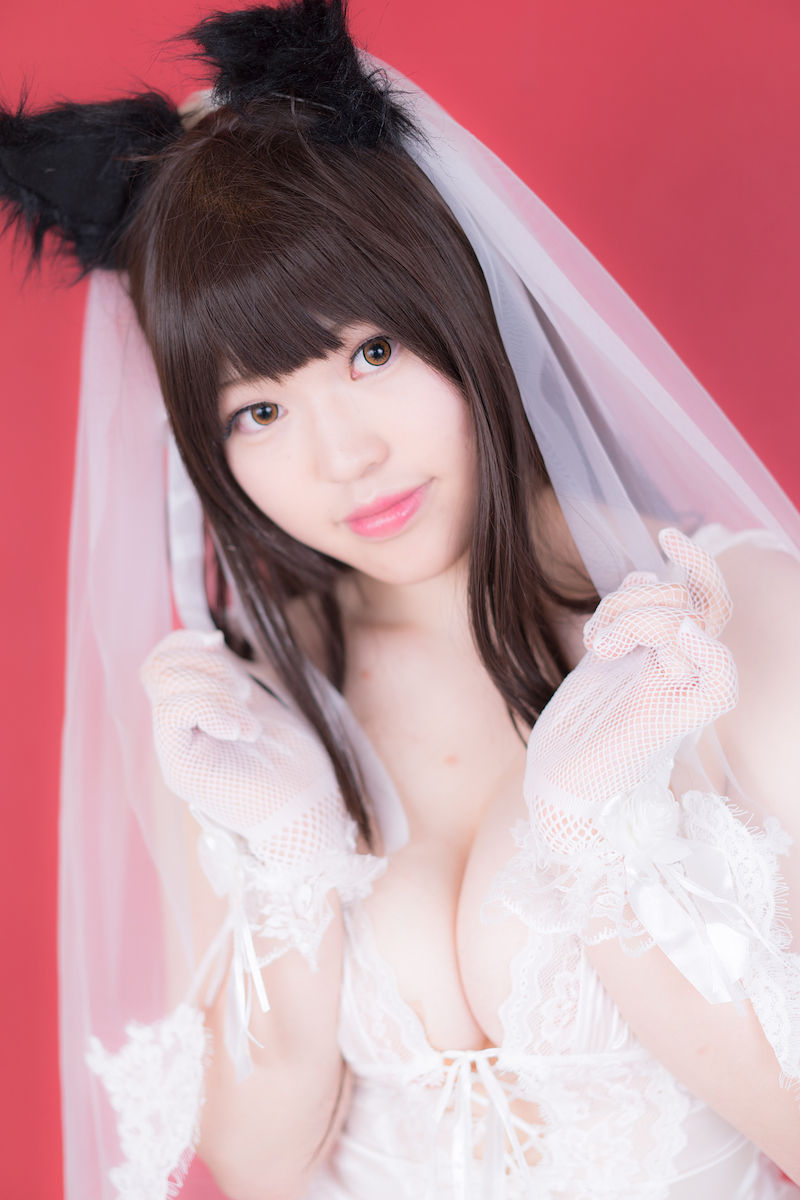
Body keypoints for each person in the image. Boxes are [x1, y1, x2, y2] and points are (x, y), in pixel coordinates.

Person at [1, 2, 799, 1197]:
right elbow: (257, 1163)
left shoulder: (716, 620)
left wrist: (606, 848)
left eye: (369, 352)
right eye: (258, 410)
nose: (345, 458)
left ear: (457, 308)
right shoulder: (240, 715)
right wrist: (291, 859)